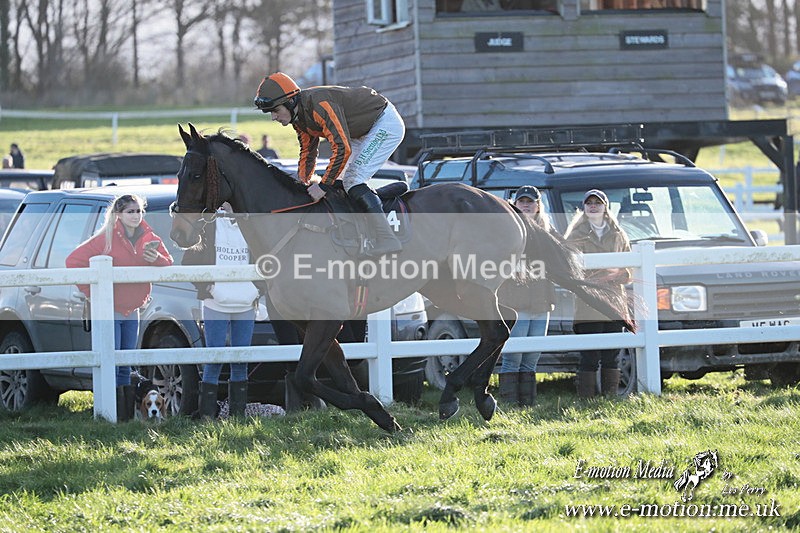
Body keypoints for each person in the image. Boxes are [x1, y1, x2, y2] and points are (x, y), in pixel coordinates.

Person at [253, 72, 404, 256]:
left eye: (275, 110)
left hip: (383, 123)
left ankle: (386, 237)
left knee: (353, 180)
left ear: (291, 102)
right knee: (340, 181)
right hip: (359, 132)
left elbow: (342, 149)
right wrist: (302, 185)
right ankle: (359, 231)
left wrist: (323, 186)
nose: (273, 117)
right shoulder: (298, 120)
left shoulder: (320, 106)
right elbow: (308, 153)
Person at [66, 194, 173, 420]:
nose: (136, 216)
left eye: (138, 211)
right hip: (109, 311)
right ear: (118, 215)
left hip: (132, 310)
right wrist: (92, 294)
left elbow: (168, 261)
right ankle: (108, 417)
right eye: (130, 212)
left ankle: (123, 419)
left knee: (125, 365)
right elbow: (73, 262)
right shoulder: (104, 239)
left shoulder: (148, 236)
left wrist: (154, 258)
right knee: (110, 363)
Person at [181, 202, 265, 419]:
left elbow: (267, 261)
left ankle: (237, 417)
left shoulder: (251, 225)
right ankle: (207, 416)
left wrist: (258, 290)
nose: (228, 204)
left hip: (247, 303)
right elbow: (188, 262)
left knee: (240, 361)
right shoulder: (206, 226)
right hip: (215, 302)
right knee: (214, 359)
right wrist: (207, 288)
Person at [564, 189, 631, 398]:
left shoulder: (619, 233)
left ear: (605, 207)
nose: (593, 206)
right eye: (589, 203)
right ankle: (587, 399)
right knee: (590, 355)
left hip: (614, 300)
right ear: (584, 207)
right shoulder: (575, 234)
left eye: (598, 203)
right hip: (588, 302)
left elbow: (629, 268)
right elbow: (569, 265)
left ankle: (610, 397)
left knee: (613, 354)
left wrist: (618, 273)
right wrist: (598, 275)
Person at [497, 185, 555, 406]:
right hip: (514, 300)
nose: (526, 205)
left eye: (530, 201)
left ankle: (528, 404)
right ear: (515, 204)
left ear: (538, 205)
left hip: (541, 301)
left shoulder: (548, 232)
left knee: (532, 356)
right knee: (513, 355)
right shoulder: (506, 230)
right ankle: (510, 404)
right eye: (522, 201)